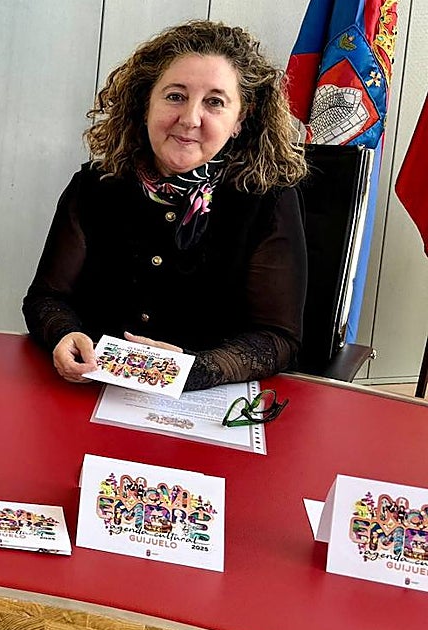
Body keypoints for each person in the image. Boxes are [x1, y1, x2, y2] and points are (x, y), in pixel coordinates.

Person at [22, 20, 308, 391]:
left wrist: (191, 370)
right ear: (146, 103)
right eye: (175, 96)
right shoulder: (95, 186)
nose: (189, 118)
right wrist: (64, 333)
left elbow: (277, 338)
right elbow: (46, 298)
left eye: (215, 102)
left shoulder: (268, 200)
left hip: (201, 407)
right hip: (89, 391)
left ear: (241, 119)